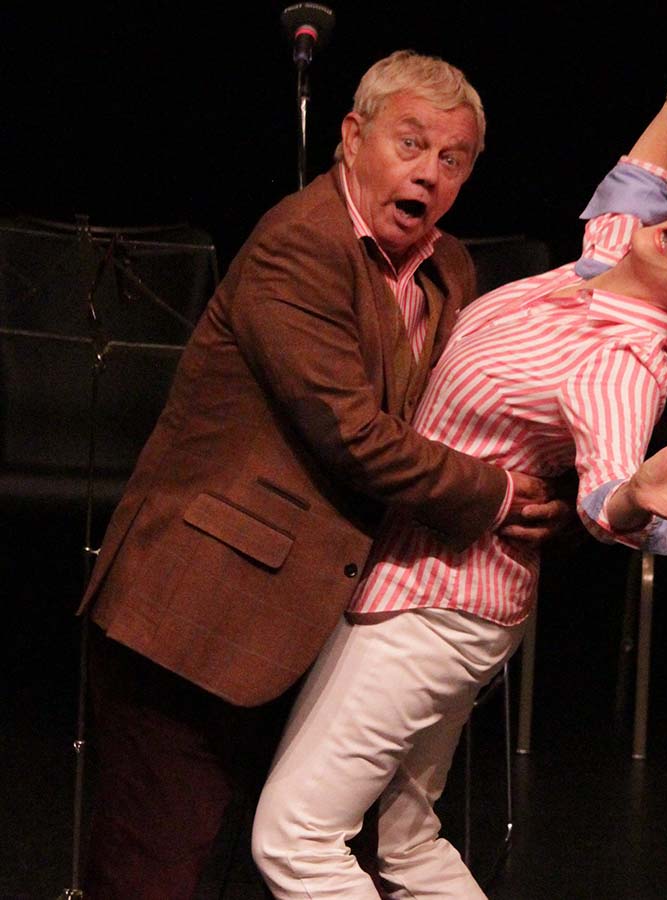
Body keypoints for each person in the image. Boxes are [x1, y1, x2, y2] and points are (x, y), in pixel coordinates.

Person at [251, 34, 667, 899]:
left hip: (438, 609)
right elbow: (636, 184)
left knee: (294, 839)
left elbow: (601, 497)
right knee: (407, 842)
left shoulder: (625, 361)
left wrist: (634, 495)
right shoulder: (601, 269)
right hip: (426, 586)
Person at [77, 50, 570, 899]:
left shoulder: (451, 269)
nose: (429, 173)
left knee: (263, 856)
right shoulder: (299, 245)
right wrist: (493, 497)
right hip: (197, 610)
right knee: (153, 863)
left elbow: (460, 414)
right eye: (409, 144)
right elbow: (354, 436)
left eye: (452, 160)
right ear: (351, 137)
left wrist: (552, 484)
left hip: (319, 615)